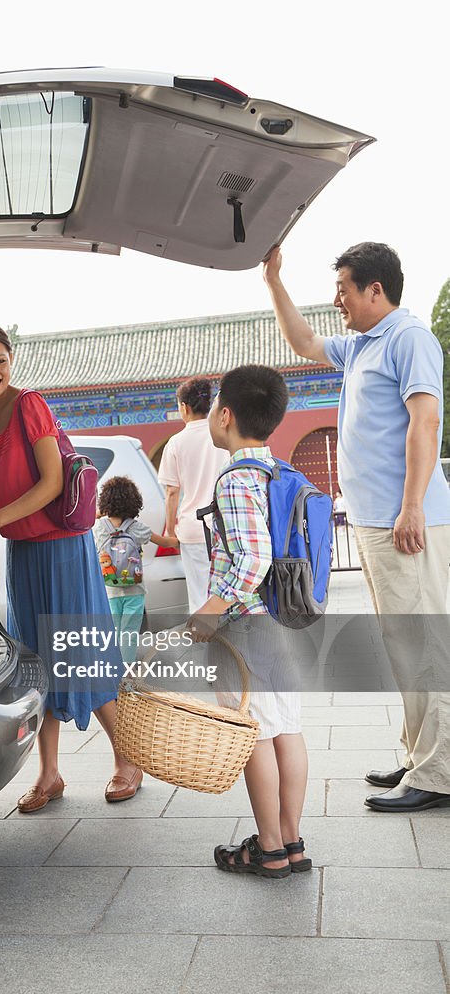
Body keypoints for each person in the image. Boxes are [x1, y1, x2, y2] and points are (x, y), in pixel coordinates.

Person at [263, 243, 450, 812]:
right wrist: (274, 280)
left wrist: (412, 506)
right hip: (376, 521)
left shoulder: (409, 337)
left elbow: (426, 419)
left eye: (344, 288)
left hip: (405, 522)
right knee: (403, 642)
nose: (336, 299)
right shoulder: (364, 345)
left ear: (376, 290)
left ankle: (440, 772)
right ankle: (422, 756)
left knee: (426, 642)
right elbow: (303, 342)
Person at [0, 321, 143, 811]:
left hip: (63, 546)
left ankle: (128, 759)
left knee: (79, 649)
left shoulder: (29, 404)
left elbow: (51, 482)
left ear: (10, 359)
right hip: (23, 551)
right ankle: (50, 774)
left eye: (0, 360)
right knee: (38, 658)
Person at [189, 365, 311, 878]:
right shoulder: (281, 473)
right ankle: (292, 842)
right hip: (285, 619)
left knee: (254, 732)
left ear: (225, 415)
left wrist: (211, 612)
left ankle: (267, 848)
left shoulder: (237, 479)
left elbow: (253, 560)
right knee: (288, 729)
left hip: (247, 624)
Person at [158, 376, 229, 614]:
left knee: (200, 596)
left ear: (184, 407)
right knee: (227, 593)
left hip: (193, 529)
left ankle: (206, 648)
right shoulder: (224, 435)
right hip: (226, 525)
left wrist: (170, 531)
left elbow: (172, 492)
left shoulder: (176, 443)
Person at [93, 476, 179, 661]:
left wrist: (100, 513)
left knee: (111, 632)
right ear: (134, 503)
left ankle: (110, 668)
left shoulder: (98, 527)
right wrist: (179, 541)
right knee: (129, 633)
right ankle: (127, 672)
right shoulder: (137, 528)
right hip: (135, 591)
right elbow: (166, 542)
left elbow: (91, 519)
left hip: (109, 590)